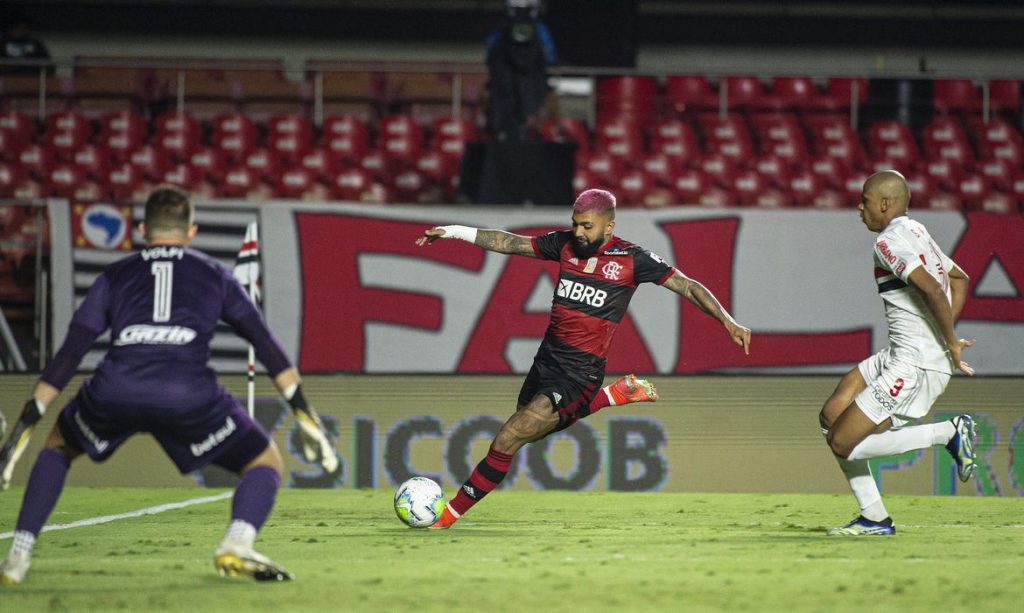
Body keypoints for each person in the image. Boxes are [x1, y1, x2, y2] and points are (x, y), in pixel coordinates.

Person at [0, 186, 337, 584]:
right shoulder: (215, 274)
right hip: (187, 392)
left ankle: (17, 556)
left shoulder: (115, 275)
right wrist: (303, 411)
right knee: (264, 463)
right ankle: (237, 543)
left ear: (142, 230)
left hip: (116, 387)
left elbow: (71, 351)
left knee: (57, 447)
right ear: (191, 232)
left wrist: (25, 424)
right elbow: (265, 345)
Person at [416, 188, 752, 528]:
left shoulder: (632, 259)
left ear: (609, 227)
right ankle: (608, 397)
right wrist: (454, 232)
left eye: (587, 226)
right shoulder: (563, 245)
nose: (579, 232)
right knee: (527, 431)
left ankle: (445, 517)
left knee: (509, 437)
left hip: (581, 371)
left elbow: (687, 285)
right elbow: (509, 243)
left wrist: (727, 320)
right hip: (547, 358)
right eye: (576, 224)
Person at [819, 170, 977, 536]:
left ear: (885, 204)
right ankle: (874, 518)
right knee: (831, 416)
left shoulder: (888, 242)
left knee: (842, 443)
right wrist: (942, 336)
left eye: (865, 200)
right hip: (902, 354)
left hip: (914, 364)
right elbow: (959, 279)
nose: (860, 207)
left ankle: (947, 433)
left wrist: (949, 342)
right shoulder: (917, 230)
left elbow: (934, 291)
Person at [484, 0, 558, 141]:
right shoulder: (503, 30)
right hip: (513, 93)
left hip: (523, 93)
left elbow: (488, 56)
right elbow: (550, 58)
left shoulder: (503, 30)